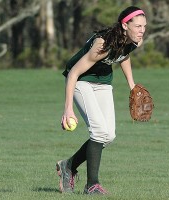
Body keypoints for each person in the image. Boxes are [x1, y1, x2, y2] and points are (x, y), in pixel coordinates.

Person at [56, 6, 146, 195]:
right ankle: (92, 185)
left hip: (103, 83)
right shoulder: (103, 45)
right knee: (98, 131)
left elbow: (124, 55)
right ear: (124, 25)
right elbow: (73, 73)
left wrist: (132, 86)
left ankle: (68, 165)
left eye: (144, 26)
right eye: (137, 26)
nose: (141, 30)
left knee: (109, 136)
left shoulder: (134, 39)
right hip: (81, 81)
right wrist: (68, 109)